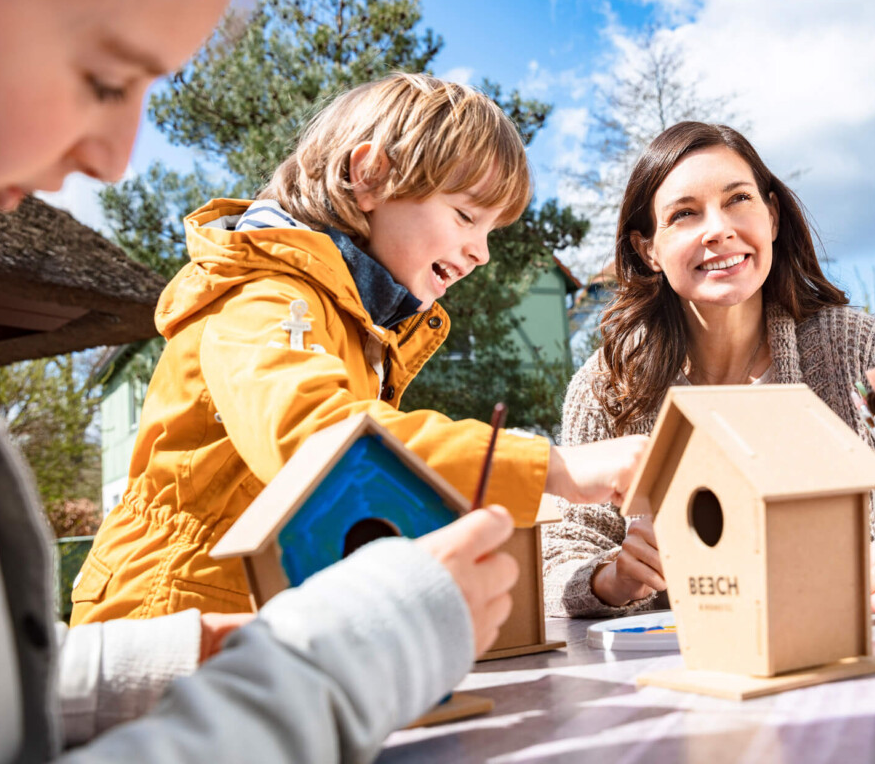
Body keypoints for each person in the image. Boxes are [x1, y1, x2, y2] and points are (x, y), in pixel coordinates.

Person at [0, 0, 528, 759]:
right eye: (104, 77)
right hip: (167, 600)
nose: (117, 160)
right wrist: (358, 654)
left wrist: (186, 657)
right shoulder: (266, 288)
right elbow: (315, 441)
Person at [70, 72, 647, 626]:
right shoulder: (263, 292)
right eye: (466, 216)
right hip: (164, 616)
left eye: (491, 232)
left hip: (245, 616)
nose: (481, 253)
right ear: (369, 176)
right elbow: (319, 441)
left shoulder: (359, 326)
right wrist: (555, 467)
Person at [542, 121, 875, 618]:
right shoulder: (609, 384)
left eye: (738, 199)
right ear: (647, 248)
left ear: (773, 216)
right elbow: (558, 560)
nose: (719, 229)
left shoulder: (856, 350)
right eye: (685, 214)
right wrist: (610, 579)